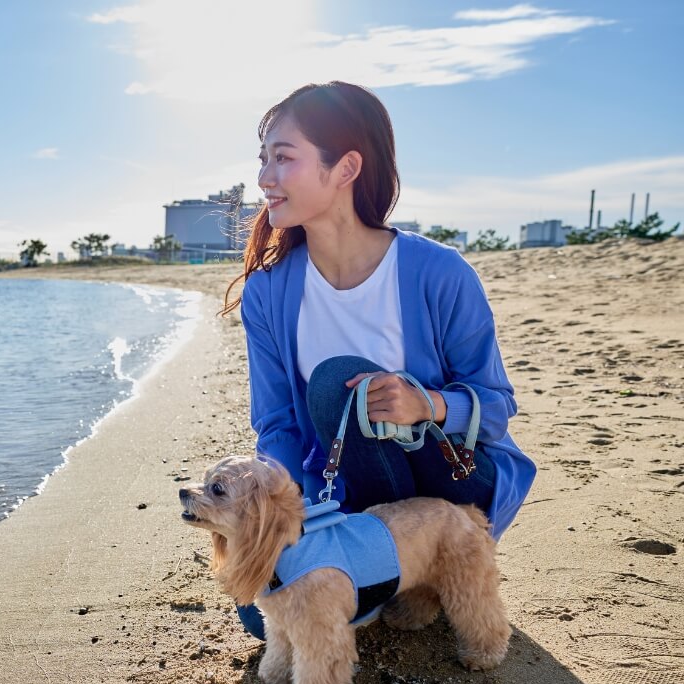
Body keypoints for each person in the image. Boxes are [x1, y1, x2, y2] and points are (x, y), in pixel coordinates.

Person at [221, 82, 536, 641]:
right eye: (262, 160)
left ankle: (430, 559)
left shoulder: (439, 272)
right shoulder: (268, 292)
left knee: (333, 383)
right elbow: (276, 425)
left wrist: (429, 405)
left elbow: (498, 406)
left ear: (344, 168)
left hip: (451, 479)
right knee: (259, 609)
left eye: (283, 158)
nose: (265, 178)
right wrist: (282, 516)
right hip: (351, 486)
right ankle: (401, 575)